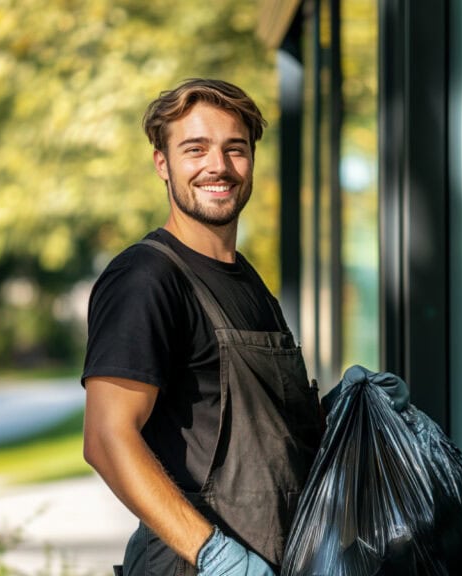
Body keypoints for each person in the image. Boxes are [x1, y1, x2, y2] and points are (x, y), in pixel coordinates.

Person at [81, 79, 322, 576]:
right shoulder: (147, 279)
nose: (218, 166)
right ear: (162, 164)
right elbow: (107, 437)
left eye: (235, 149)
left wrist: (349, 410)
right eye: (196, 149)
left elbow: (267, 434)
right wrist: (215, 555)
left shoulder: (247, 280)